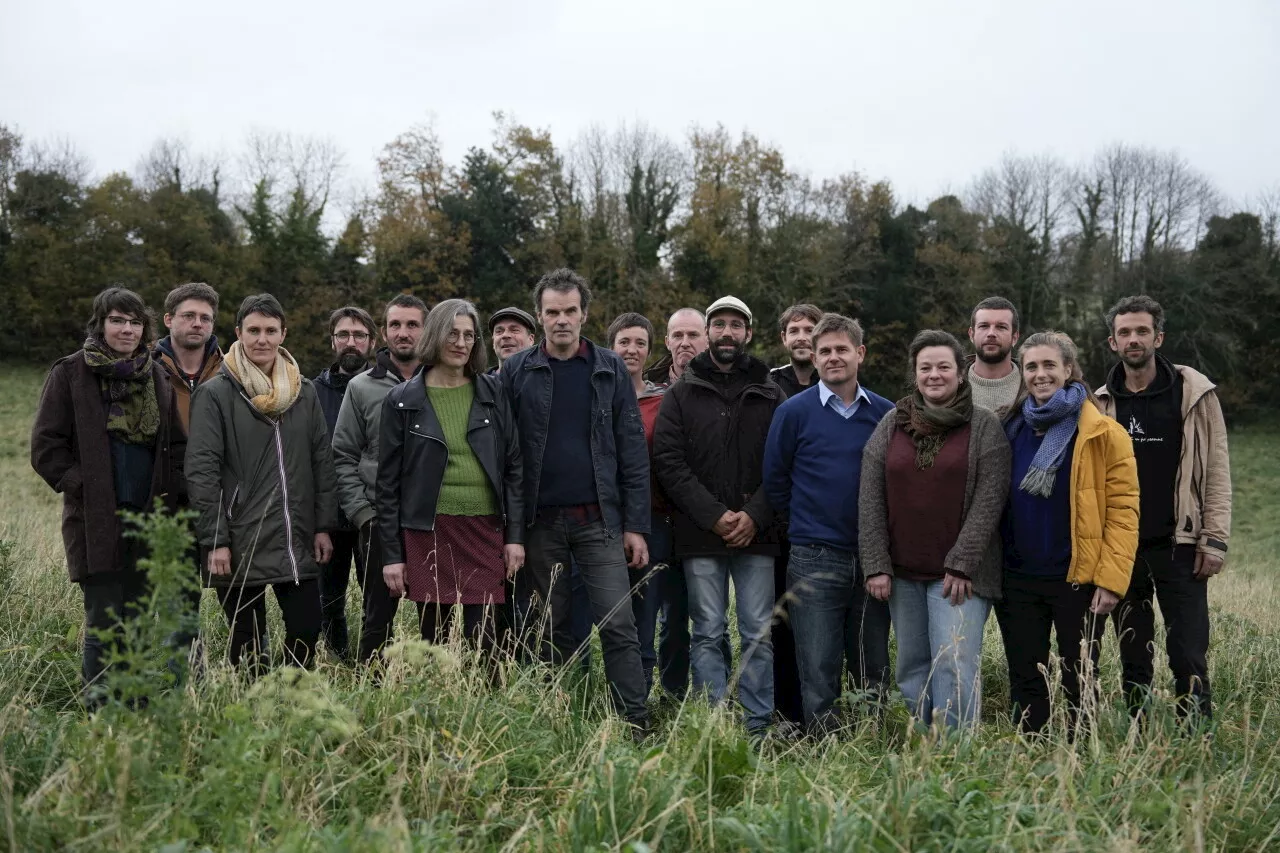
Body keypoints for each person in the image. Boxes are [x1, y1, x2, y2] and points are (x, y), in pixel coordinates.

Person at [499, 268, 651, 736]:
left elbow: (631, 451)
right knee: (548, 627)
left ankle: (634, 722)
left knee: (618, 625)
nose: (561, 320)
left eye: (570, 311)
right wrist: (514, 533)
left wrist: (635, 525)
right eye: (552, 312)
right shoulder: (515, 371)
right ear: (540, 317)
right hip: (540, 523)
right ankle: (557, 721)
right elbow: (507, 456)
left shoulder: (609, 369)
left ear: (584, 314)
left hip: (599, 521)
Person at [31, 287, 186, 707]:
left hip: (147, 520)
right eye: (117, 320)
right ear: (100, 324)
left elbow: (174, 447)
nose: (127, 329)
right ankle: (100, 710)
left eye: (135, 322)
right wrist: (84, 485)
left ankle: (132, 707)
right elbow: (46, 447)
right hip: (96, 519)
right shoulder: (70, 373)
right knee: (103, 620)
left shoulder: (156, 376)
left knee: (136, 620)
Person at [858, 330, 1011, 730]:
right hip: (903, 573)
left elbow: (990, 500)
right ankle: (923, 745)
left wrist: (962, 564)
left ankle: (956, 757)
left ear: (961, 373)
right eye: (925, 367)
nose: (934, 375)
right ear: (915, 373)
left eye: (944, 366)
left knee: (954, 664)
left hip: (958, 576)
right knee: (912, 666)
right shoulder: (893, 422)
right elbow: (870, 496)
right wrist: (876, 563)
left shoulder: (983, 426)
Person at [185, 293, 339, 673]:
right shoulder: (214, 394)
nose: (262, 339)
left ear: (283, 333)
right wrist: (215, 539)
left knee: (307, 626)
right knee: (248, 639)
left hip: (294, 535)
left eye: (271, 330)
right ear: (238, 332)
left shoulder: (303, 393)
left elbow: (322, 460)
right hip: (240, 537)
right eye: (253, 330)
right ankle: (250, 715)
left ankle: (288, 696)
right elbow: (202, 470)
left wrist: (323, 526)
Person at [996, 330, 1138, 735]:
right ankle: (1032, 753)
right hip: (1019, 577)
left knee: (1079, 678)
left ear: (1069, 369)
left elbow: (1124, 513)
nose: (1040, 375)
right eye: (1031, 367)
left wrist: (1110, 582)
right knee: (1026, 676)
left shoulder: (1104, 433)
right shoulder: (1010, 426)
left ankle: (1080, 759)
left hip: (1077, 578)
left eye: (1049, 366)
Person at [1097, 295, 1231, 723]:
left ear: (1158, 336)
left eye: (1141, 331)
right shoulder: (1101, 403)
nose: (1133, 339)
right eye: (1124, 333)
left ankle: (1195, 737)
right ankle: (1138, 730)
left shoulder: (1193, 393)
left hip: (1181, 545)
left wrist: (1215, 539)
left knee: (1188, 651)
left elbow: (1216, 471)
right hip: (1123, 546)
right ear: (1113, 343)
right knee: (1133, 648)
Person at [654, 295, 782, 737]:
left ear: (748, 333)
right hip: (699, 533)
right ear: (708, 332)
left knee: (757, 633)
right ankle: (714, 725)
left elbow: (785, 461)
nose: (727, 333)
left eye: (736, 325)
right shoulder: (682, 392)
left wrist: (754, 515)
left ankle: (758, 725)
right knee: (706, 630)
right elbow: (669, 461)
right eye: (719, 324)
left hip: (757, 535)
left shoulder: (769, 391)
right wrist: (714, 515)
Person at [762, 313, 893, 734]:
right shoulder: (793, 413)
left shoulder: (885, 414)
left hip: (873, 559)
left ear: (860, 353)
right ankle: (825, 751)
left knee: (871, 662)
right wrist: (806, 522)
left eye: (841, 349)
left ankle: (871, 746)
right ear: (814, 359)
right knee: (817, 665)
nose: (833, 358)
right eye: (825, 352)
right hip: (813, 557)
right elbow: (775, 480)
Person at [378, 300, 524, 656]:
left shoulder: (493, 393)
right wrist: (392, 555)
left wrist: (514, 537)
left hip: (484, 528)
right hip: (427, 528)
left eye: (469, 336)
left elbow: (514, 468)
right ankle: (441, 707)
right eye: (452, 333)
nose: (461, 342)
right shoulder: (401, 400)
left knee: (486, 641)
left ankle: (487, 707)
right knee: (434, 642)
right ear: (435, 336)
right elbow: (387, 486)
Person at [332, 294, 428, 663]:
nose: (403, 333)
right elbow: (343, 455)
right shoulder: (361, 387)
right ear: (384, 333)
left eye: (412, 324)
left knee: (435, 616)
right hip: (377, 519)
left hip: (432, 520)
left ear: (426, 329)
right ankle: (371, 696)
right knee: (377, 620)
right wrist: (362, 515)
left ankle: (438, 693)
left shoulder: (444, 382)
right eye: (395, 325)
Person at [154, 281, 224, 672]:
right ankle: (185, 678)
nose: (197, 324)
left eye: (206, 318)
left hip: (224, 500)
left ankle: (246, 673)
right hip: (170, 503)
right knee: (179, 597)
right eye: (189, 316)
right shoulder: (148, 369)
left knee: (239, 591)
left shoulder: (232, 368)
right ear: (169, 320)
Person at [766, 303, 823, 725]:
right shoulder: (768, 385)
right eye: (795, 330)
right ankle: (785, 712)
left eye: (811, 329)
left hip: (824, 524)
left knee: (820, 625)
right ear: (784, 338)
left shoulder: (839, 380)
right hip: (779, 526)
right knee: (780, 621)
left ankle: (823, 709)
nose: (803, 336)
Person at [314, 306, 378, 662]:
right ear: (332, 340)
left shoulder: (386, 388)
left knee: (376, 597)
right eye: (343, 335)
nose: (351, 343)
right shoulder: (310, 392)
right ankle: (336, 662)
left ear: (372, 341)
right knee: (329, 598)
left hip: (371, 513)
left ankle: (373, 664)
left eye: (359, 336)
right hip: (328, 516)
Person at [967, 296, 1022, 415]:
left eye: (1001, 327)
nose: (991, 333)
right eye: (984, 326)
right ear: (971, 334)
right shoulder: (952, 386)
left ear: (1015, 337)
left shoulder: (1031, 388)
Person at [644, 308, 707, 387]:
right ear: (667, 342)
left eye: (693, 335)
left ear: (707, 340)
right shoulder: (647, 390)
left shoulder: (724, 388)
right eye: (677, 336)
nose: (685, 343)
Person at [769, 304, 822, 398]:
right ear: (784, 338)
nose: (801, 338)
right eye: (794, 331)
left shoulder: (834, 383)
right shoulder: (768, 383)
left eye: (810, 331)